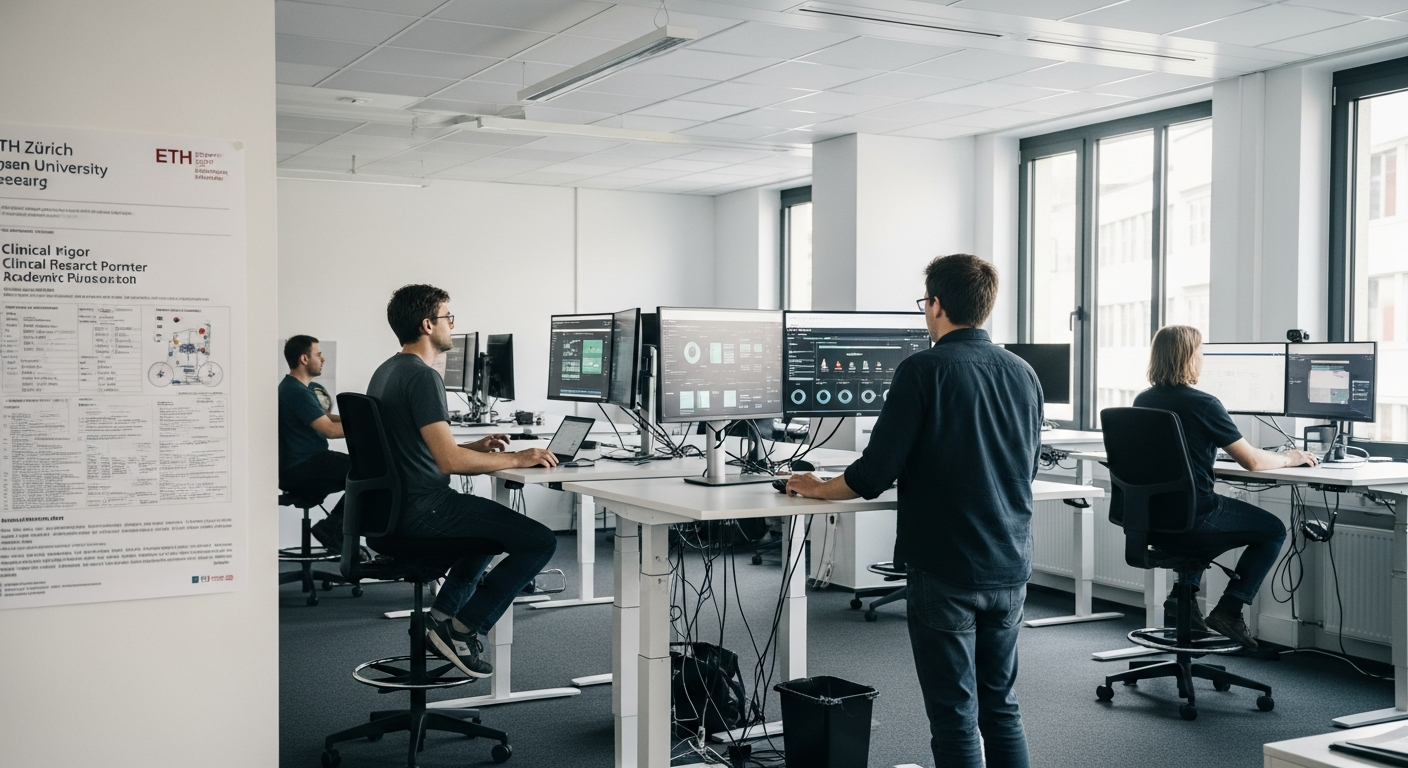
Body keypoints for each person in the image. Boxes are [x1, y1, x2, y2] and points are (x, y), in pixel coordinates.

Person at [786, 254, 1040, 768]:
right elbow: (1025, 465)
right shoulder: (1023, 372)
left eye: (926, 303)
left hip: (946, 563)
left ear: (937, 304)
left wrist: (814, 487)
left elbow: (872, 475)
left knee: (954, 714)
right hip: (1009, 563)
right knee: (1001, 708)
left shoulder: (922, 370)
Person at [366, 284, 558, 679]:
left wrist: (477, 446)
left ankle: (440, 618)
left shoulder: (387, 370)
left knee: (490, 528)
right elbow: (449, 461)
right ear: (426, 324)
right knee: (540, 541)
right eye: (447, 318)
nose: (452, 326)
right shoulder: (422, 377)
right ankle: (462, 627)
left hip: (394, 509)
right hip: (425, 507)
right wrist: (518, 457)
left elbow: (412, 445)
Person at [1132, 325, 1317, 649]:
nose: (1204, 357)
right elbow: (1253, 462)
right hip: (1196, 515)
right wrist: (1290, 458)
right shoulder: (1203, 403)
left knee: (1203, 533)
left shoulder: (1143, 400)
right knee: (1272, 529)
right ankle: (1230, 609)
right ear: (1190, 356)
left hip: (1153, 518)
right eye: (1201, 350)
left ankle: (1182, 596)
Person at [279, 335, 349, 553]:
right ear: (304, 359)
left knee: (368, 471)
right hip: (303, 467)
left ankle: (333, 527)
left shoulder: (299, 388)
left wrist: (365, 419)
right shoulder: (296, 391)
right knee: (371, 472)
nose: (323, 359)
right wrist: (369, 429)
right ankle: (331, 528)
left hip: (305, 463)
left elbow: (326, 418)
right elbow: (328, 430)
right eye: (318, 354)